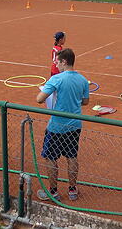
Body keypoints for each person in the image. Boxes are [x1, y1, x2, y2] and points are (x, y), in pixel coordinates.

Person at [36, 48, 89, 202]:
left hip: (57, 126)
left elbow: (39, 99)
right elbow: (85, 102)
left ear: (64, 62)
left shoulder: (56, 79)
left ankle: (52, 191)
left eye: (57, 62)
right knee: (72, 156)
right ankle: (72, 189)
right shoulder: (83, 80)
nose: (56, 65)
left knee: (51, 157)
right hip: (75, 125)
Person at [45, 31, 66, 109]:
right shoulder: (59, 50)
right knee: (58, 86)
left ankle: (48, 96)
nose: (65, 40)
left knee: (54, 84)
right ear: (60, 40)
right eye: (64, 38)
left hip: (54, 68)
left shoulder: (56, 47)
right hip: (58, 69)